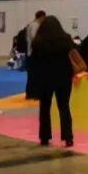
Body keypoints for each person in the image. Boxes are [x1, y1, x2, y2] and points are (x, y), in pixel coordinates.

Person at [29, 16, 76, 147]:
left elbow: (34, 62)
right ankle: (68, 137)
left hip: (45, 78)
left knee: (44, 107)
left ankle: (44, 136)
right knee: (64, 106)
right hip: (63, 76)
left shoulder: (38, 41)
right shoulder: (65, 39)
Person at [24, 10, 46, 99]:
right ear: (41, 17)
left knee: (32, 74)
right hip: (34, 53)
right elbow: (35, 38)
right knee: (36, 74)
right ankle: (35, 93)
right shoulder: (35, 26)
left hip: (31, 52)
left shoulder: (31, 25)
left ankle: (30, 93)